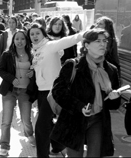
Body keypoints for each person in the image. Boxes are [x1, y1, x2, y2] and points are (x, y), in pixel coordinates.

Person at [50, 29, 121, 157]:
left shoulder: (111, 70)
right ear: (86, 45)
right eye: (97, 41)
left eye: (104, 41)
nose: (102, 44)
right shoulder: (73, 65)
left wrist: (114, 97)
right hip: (74, 120)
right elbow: (58, 91)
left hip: (98, 120)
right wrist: (79, 106)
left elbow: (114, 105)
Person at [28, 23, 84, 157]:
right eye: (32, 34)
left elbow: (68, 41)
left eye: (37, 33)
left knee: (41, 127)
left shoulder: (49, 46)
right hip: (42, 92)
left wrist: (85, 34)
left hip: (52, 91)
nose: (34, 36)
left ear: (43, 34)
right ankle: (59, 145)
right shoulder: (36, 50)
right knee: (48, 124)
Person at [0, 31, 37, 156]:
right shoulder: (7, 55)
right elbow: (1, 71)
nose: (20, 41)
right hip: (10, 91)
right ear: (13, 41)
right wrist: (11, 79)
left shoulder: (32, 55)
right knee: (6, 120)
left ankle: (29, 135)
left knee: (26, 120)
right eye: (17, 39)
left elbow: (38, 70)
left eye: (23, 39)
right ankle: (4, 146)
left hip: (25, 91)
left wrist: (33, 74)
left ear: (26, 41)